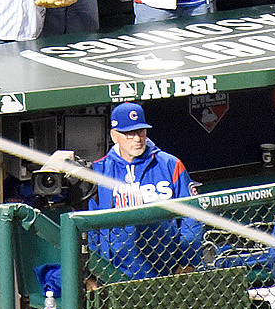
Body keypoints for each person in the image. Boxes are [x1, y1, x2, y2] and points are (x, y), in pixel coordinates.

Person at [84, 102, 201, 281]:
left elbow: (192, 217)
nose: (137, 139)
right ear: (114, 136)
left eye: (140, 131)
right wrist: (93, 273)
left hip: (167, 269)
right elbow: (91, 229)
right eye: (129, 133)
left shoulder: (169, 164)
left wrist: (188, 261)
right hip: (116, 274)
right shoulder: (99, 171)